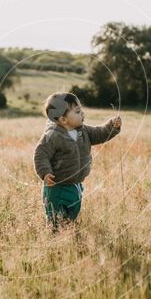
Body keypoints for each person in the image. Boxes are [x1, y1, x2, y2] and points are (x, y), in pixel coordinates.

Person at [33, 92, 122, 228]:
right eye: (78, 111)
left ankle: (68, 228)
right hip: (57, 186)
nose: (82, 113)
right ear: (63, 120)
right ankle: (55, 234)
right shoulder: (53, 136)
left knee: (72, 213)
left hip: (76, 184)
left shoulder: (83, 131)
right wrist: (45, 173)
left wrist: (112, 126)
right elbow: (41, 154)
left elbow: (100, 133)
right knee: (56, 217)